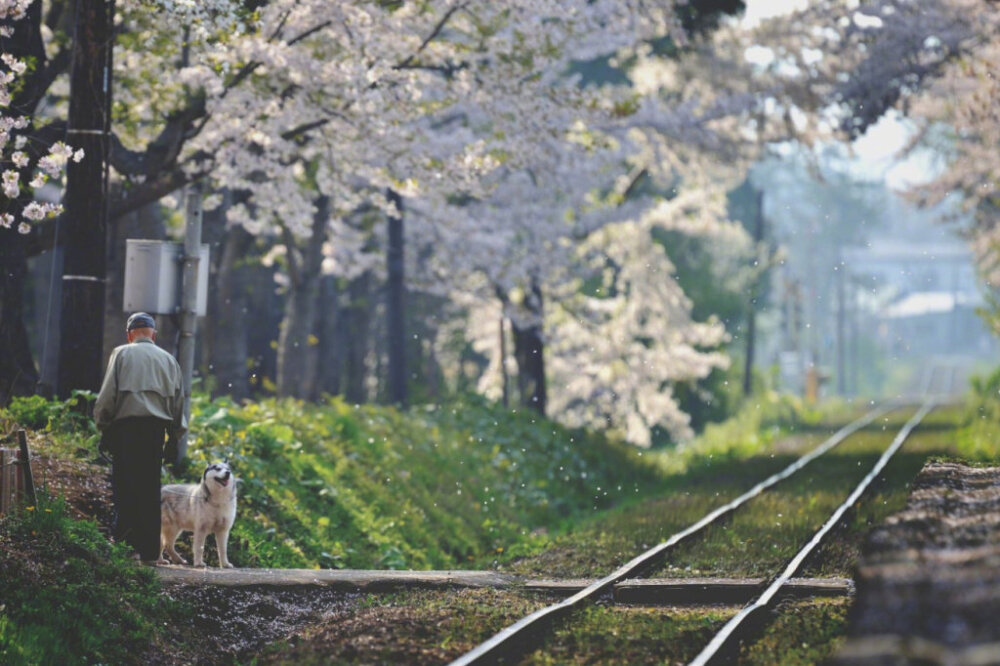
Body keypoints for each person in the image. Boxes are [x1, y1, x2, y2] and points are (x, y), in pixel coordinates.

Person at [94, 312, 186, 563]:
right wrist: (176, 438)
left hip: (126, 430)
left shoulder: (122, 353)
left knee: (125, 487)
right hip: (155, 433)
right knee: (149, 490)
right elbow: (179, 404)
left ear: (129, 334)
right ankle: (149, 553)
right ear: (153, 335)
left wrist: (103, 427)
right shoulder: (169, 360)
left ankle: (126, 549)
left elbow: (107, 397)